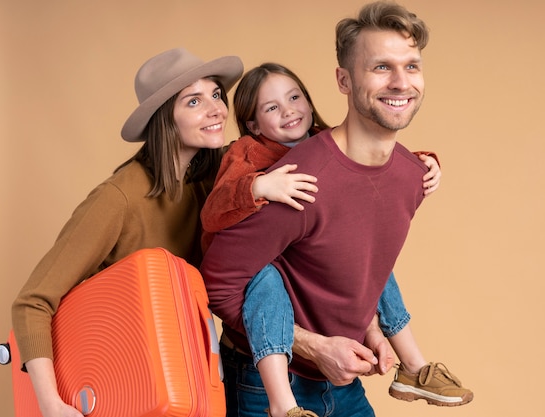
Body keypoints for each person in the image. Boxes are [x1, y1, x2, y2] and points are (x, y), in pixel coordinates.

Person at [200, 2, 473, 416]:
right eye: (381, 67)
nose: (401, 82)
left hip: (342, 381)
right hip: (267, 382)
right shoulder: (299, 182)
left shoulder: (410, 175)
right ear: (344, 80)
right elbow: (219, 286)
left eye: (411, 66)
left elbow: (345, 270)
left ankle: (413, 369)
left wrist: (373, 331)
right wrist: (315, 345)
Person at [11, 47, 243, 417]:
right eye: (194, 101)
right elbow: (31, 303)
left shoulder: (210, 182)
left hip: (180, 379)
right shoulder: (118, 198)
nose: (216, 109)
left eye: (216, 94)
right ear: (165, 118)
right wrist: (51, 404)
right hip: (115, 383)